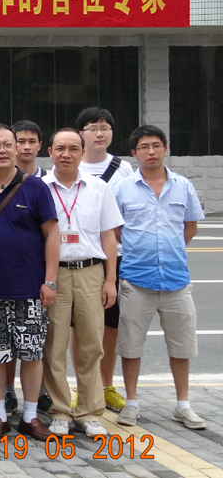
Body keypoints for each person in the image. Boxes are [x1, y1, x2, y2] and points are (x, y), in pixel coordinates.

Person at [113, 125, 206, 430]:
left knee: (181, 346)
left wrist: (168, 250)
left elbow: (190, 226)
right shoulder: (122, 188)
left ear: (165, 149)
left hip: (176, 280)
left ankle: (183, 404)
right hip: (136, 279)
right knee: (130, 346)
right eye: (144, 147)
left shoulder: (183, 186)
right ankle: (131, 401)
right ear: (134, 153)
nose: (150, 151)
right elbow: (114, 230)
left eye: (156, 145)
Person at [0, 124, 58, 443]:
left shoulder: (35, 187)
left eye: (8, 144)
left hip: (30, 287)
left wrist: (50, 281)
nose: (3, 150)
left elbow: (52, 234)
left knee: (32, 353)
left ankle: (31, 416)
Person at [42, 128, 122, 439]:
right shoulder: (39, 188)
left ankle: (89, 412)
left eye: (73, 148)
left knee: (92, 345)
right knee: (54, 345)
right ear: (50, 152)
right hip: (55, 274)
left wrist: (110, 280)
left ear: (82, 152)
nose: (66, 154)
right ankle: (60, 410)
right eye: (60, 148)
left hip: (91, 272)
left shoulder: (99, 188)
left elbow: (108, 236)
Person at [76, 106, 133, 413]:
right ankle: (82, 387)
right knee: (78, 328)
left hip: (115, 256)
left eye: (105, 128)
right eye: (93, 128)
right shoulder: (72, 165)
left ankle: (106, 385)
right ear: (81, 134)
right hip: (81, 257)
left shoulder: (124, 169)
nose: (100, 133)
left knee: (110, 325)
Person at [4, 119, 50, 415]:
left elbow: (52, 231)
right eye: (20, 141)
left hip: (38, 273)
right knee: (5, 340)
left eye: (32, 141)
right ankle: (7, 392)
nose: (25, 146)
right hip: (4, 273)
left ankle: (41, 393)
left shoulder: (47, 181)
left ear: (40, 146)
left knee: (37, 340)